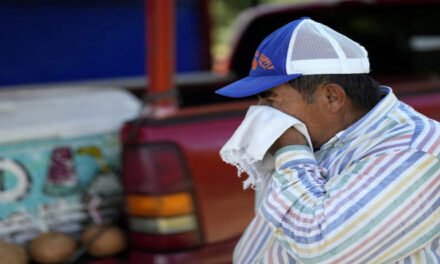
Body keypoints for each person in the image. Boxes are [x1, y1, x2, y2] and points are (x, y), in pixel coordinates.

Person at [215, 17, 440, 263]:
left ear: (331, 97)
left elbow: (321, 248)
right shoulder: (311, 138)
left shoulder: (416, 151)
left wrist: (291, 151)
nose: (261, 113)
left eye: (270, 100)